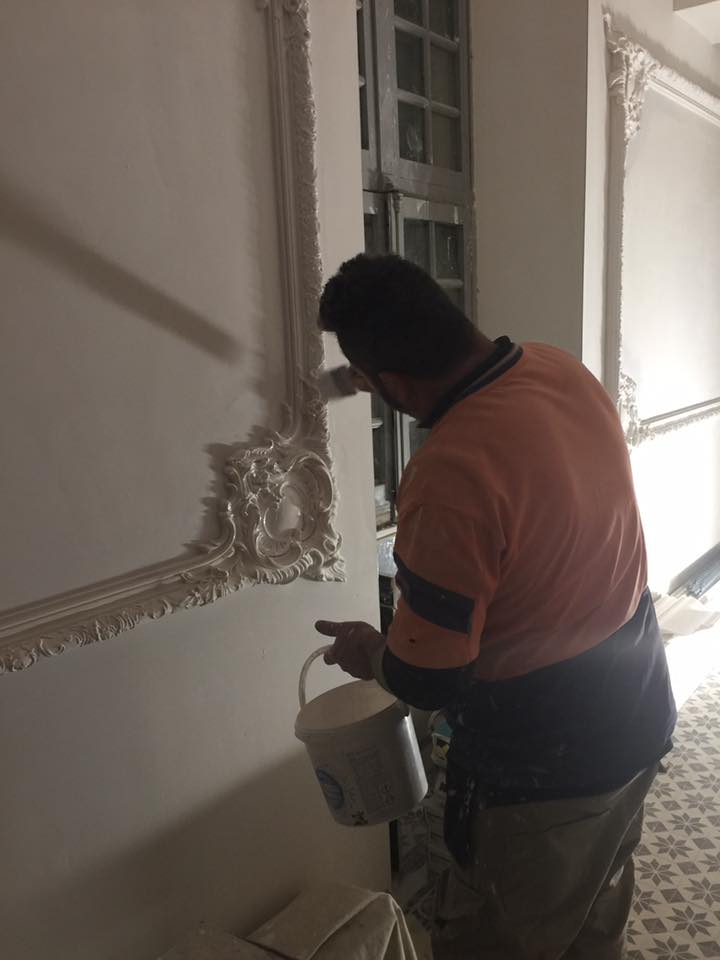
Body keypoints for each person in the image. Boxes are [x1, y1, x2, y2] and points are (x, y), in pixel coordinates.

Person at [313, 253, 676, 960]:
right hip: (636, 711)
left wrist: (368, 651)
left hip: (549, 771)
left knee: (502, 935)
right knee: (592, 912)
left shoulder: (449, 476)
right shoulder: (557, 369)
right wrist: (375, 372)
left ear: (392, 383)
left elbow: (428, 679)